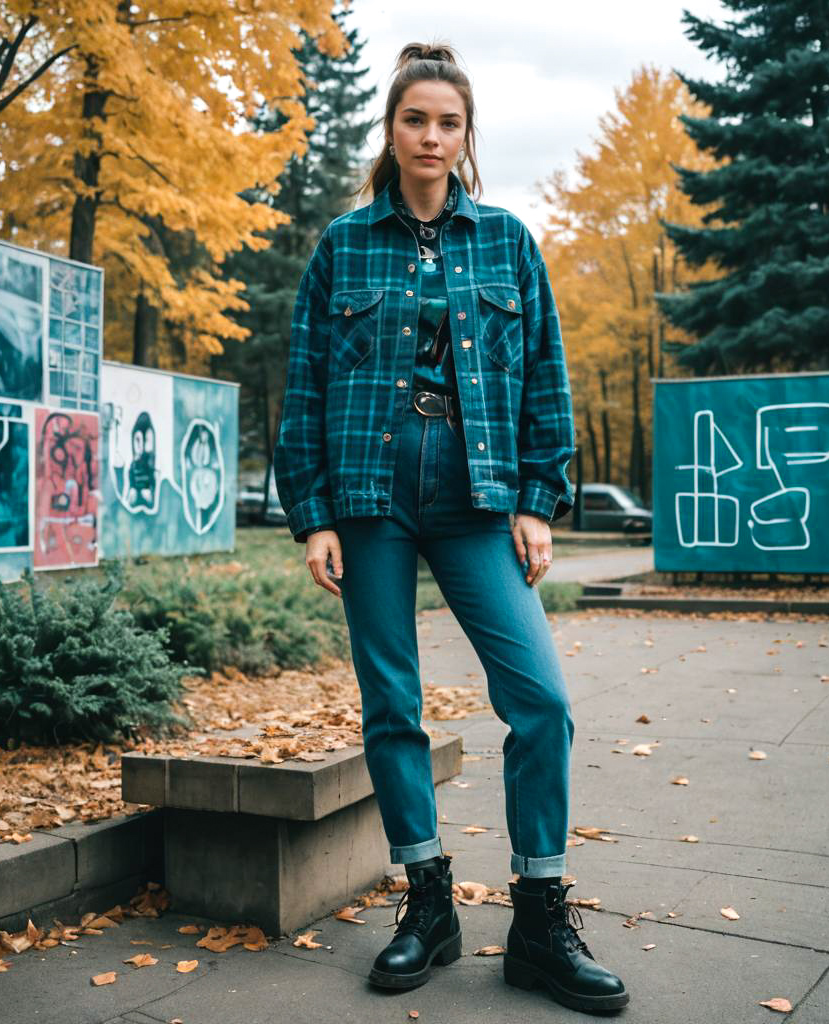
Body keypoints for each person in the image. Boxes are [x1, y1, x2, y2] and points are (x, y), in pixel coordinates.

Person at [272, 40, 629, 1015]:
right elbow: (302, 383)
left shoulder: (506, 241)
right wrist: (311, 517)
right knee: (392, 706)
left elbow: (545, 378)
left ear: (466, 136)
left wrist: (534, 497)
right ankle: (425, 902)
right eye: (415, 119)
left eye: (448, 122)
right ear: (391, 130)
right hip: (369, 498)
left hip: (477, 498)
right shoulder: (343, 245)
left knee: (540, 701)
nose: (431, 137)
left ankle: (540, 918)